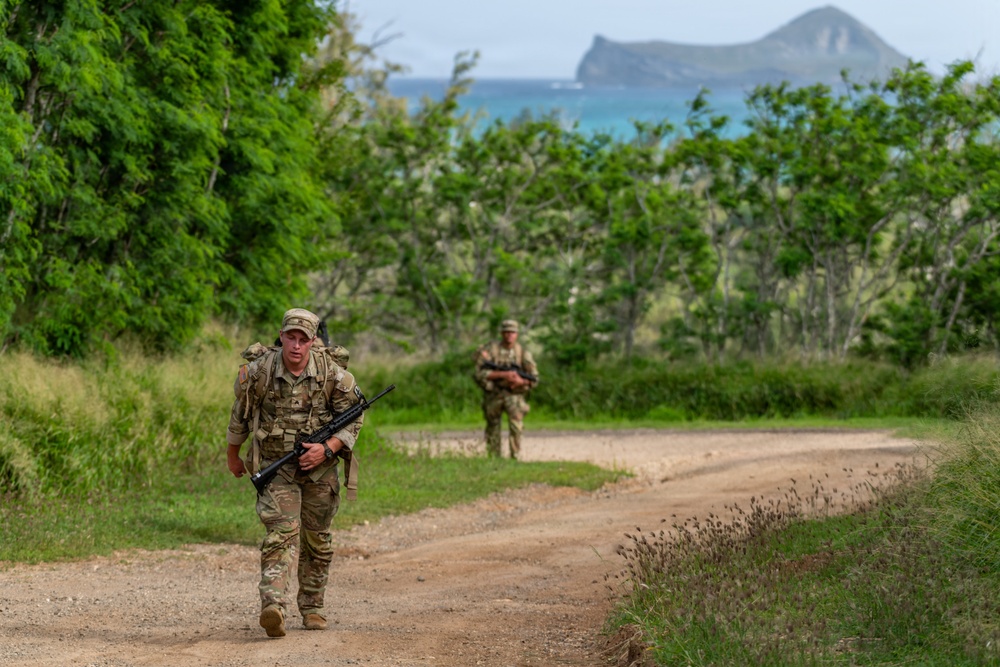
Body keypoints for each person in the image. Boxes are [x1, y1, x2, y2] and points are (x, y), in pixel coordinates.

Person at [226, 308, 364, 638]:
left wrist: (327, 448)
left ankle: (313, 607)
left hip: (321, 471)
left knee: (317, 540)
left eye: (304, 339)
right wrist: (233, 455)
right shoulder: (258, 372)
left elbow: (354, 419)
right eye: (291, 338)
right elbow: (240, 416)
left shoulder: (334, 375)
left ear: (313, 341)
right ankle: (273, 606)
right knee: (282, 533)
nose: (297, 346)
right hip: (277, 469)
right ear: (282, 336)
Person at [473, 319, 540, 459]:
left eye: (512, 332)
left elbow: (534, 379)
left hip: (514, 396)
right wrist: (504, 374)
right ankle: (493, 457)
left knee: (516, 427)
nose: (509, 335)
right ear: (502, 333)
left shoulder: (522, 353)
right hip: (494, 393)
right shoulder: (492, 350)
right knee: (493, 427)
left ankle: (515, 456)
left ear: (517, 334)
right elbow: (479, 373)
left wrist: (520, 381)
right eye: (507, 332)